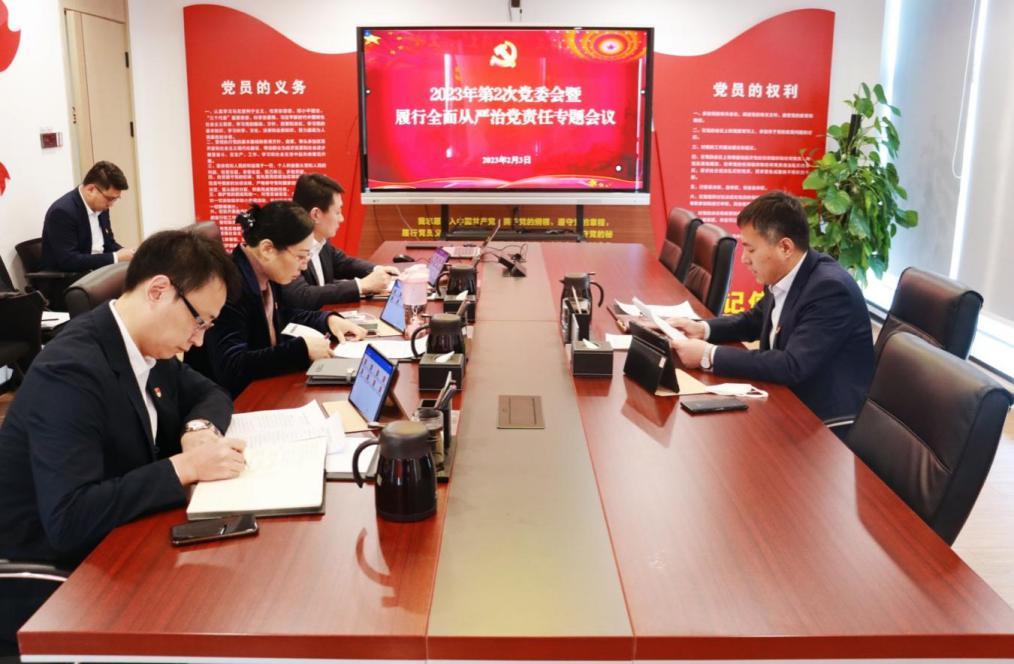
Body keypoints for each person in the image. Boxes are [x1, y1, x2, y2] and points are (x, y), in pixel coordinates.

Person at [0, 230, 247, 567]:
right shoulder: (70, 372)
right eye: (199, 321)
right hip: (54, 570)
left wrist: (198, 428)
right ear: (158, 291)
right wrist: (186, 466)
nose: (199, 340)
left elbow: (211, 392)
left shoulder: (147, 344)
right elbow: (69, 519)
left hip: (123, 532)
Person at [667, 191, 874, 422]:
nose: (744, 259)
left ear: (785, 247)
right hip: (783, 397)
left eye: (751, 249)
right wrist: (702, 328)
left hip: (821, 418)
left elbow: (792, 365)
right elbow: (753, 320)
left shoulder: (829, 290)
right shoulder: (784, 272)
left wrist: (709, 355)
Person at [186, 201, 367, 397]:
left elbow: (280, 316)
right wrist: (300, 350)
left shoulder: (264, 273)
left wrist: (327, 320)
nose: (304, 266)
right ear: (267, 249)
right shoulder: (228, 287)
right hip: (228, 400)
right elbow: (232, 366)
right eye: (300, 257)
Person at [278, 173, 398, 308]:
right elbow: (302, 295)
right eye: (337, 212)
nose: (341, 219)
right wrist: (361, 285)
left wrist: (377, 270)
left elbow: (342, 263)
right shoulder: (289, 247)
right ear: (316, 214)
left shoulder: (321, 241)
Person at [41, 160, 136, 272]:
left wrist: (130, 254)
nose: (111, 204)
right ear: (91, 190)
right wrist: (115, 257)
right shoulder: (62, 212)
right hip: (71, 277)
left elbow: (109, 244)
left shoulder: (102, 208)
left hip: (98, 271)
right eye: (110, 198)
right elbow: (69, 261)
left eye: (115, 199)